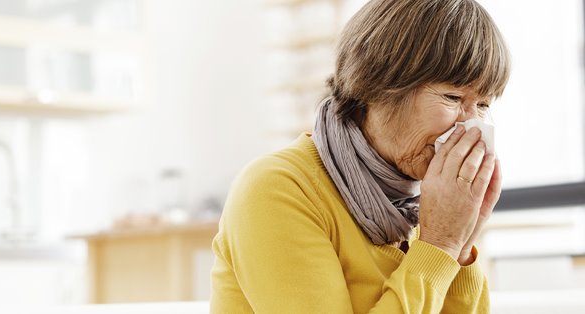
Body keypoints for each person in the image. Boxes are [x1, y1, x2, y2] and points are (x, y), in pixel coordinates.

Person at [211, 0, 509, 312]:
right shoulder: (277, 190)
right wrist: (441, 245)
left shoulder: (424, 207)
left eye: (484, 105)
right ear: (378, 85)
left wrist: (460, 246)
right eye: (453, 97)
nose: (471, 126)